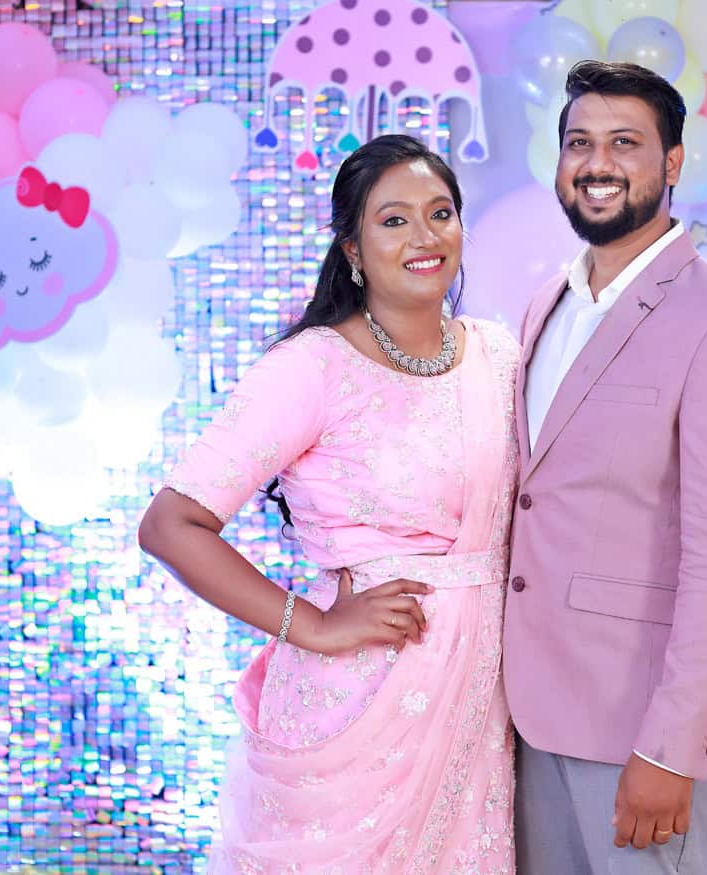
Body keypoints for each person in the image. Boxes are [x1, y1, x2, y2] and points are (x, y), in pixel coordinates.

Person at [138, 134, 520, 874]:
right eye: (394, 219)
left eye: (440, 213)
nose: (424, 236)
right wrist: (310, 623)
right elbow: (170, 524)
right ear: (351, 247)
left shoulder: (498, 354)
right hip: (357, 701)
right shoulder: (311, 369)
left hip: (482, 700)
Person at [505, 61, 707, 874]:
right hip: (530, 716)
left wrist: (670, 750)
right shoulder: (545, 302)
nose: (597, 163)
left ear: (671, 164)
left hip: (641, 735)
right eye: (579, 143)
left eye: (624, 143)